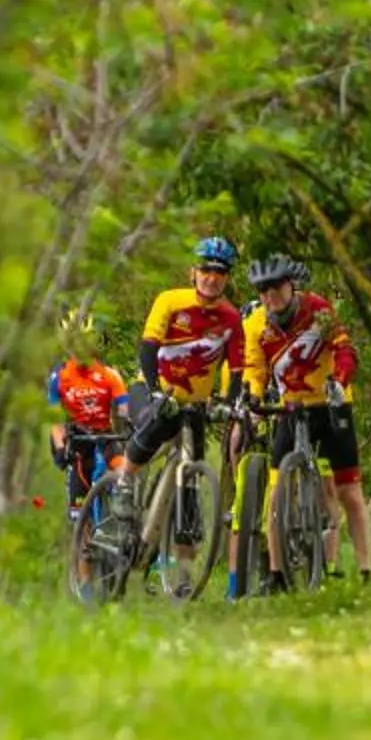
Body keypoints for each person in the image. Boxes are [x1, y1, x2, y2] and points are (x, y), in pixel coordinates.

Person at [240, 253, 371, 587]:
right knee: (276, 491)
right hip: (291, 407)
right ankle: (276, 574)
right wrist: (254, 395)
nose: (269, 297)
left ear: (291, 286)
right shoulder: (256, 323)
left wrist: (339, 381)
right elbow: (255, 368)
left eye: (275, 289)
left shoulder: (318, 308)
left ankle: (365, 570)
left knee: (349, 493)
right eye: (262, 291)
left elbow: (345, 349)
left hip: (331, 404)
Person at [120, 236, 249, 574]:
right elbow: (149, 346)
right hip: (152, 390)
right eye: (206, 270)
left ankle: (183, 575)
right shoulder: (171, 301)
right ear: (193, 272)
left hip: (194, 405)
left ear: (227, 278)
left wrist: (229, 405)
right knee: (156, 424)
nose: (212, 277)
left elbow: (236, 368)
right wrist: (154, 390)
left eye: (220, 272)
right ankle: (122, 486)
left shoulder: (231, 318)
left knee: (189, 484)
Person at [45, 319, 131, 528]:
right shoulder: (60, 376)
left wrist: (131, 427)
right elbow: (54, 419)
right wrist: (60, 445)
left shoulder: (109, 374)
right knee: (80, 512)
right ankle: (83, 543)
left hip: (105, 434)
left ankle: (124, 529)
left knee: (124, 473)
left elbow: (124, 410)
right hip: (77, 439)